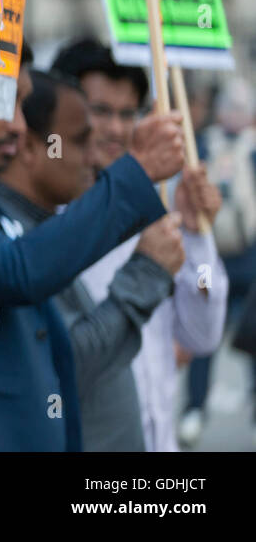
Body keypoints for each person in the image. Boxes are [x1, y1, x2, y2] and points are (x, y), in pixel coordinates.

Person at [0, 55, 184, 451]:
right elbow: (19, 270)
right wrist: (136, 172)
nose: (19, 126)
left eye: (23, 104)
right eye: (7, 99)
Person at [54, 38, 228, 451]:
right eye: (101, 111)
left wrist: (196, 236)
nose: (116, 128)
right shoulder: (52, 225)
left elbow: (202, 334)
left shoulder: (157, 211)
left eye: (128, 113)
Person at [0, 70, 181, 451]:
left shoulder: (56, 225)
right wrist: (147, 272)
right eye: (79, 141)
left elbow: (202, 329)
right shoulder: (5, 236)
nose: (93, 156)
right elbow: (62, 364)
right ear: (30, 146)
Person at [182, 77, 256, 446]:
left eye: (242, 108)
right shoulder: (204, 145)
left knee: (254, 334)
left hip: (250, 255)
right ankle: (195, 407)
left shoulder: (254, 148)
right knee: (204, 329)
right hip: (211, 256)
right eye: (230, 106)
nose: (235, 114)